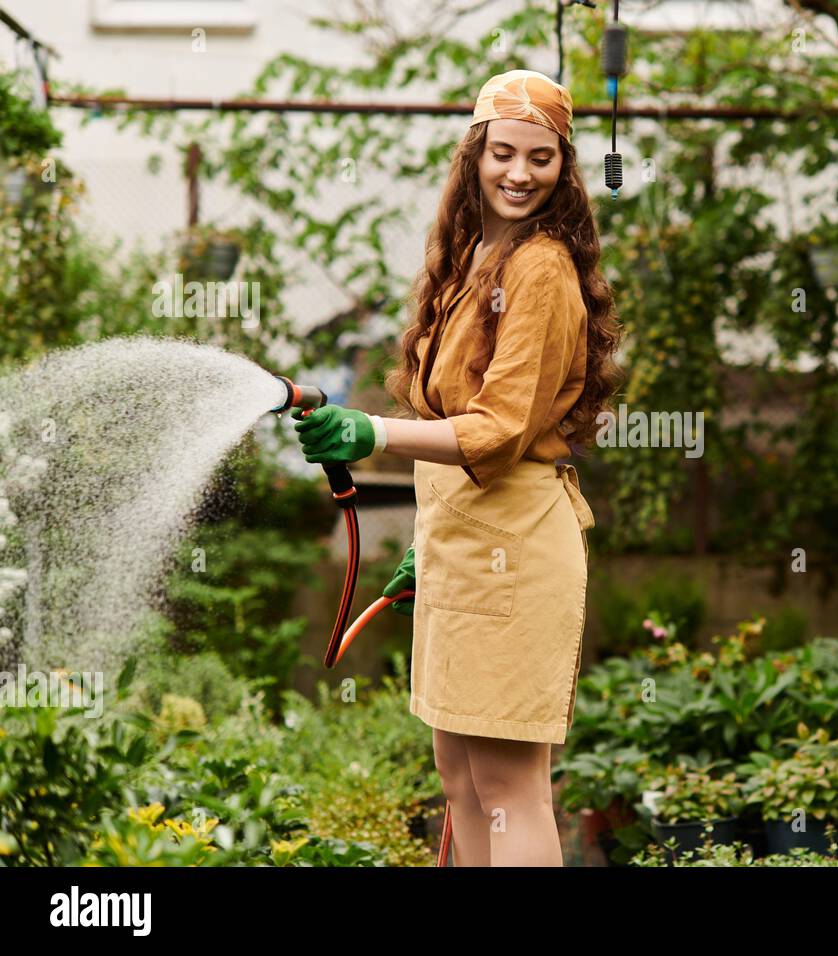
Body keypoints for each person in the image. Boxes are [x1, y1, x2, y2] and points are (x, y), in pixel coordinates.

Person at [291, 68, 624, 866]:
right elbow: (454, 416)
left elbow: (500, 430)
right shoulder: (482, 256)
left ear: (563, 167)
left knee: (510, 787)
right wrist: (432, 547)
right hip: (467, 543)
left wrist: (369, 431)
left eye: (540, 158)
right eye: (502, 153)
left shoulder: (540, 267)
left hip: (515, 545)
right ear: (475, 155)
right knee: (462, 782)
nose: (519, 173)